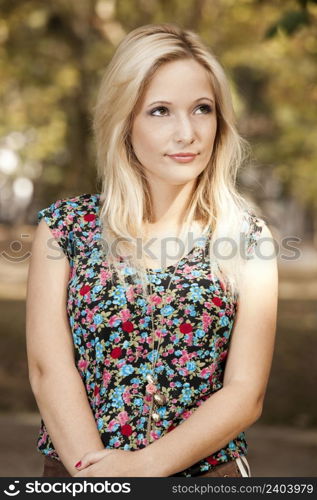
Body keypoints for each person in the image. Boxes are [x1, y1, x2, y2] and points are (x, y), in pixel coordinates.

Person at [26, 23, 278, 478]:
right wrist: (95, 476)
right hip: (80, 470)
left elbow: (245, 393)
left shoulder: (249, 238)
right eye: (160, 111)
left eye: (202, 109)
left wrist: (143, 469)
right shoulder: (64, 228)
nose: (187, 133)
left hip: (210, 478)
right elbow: (49, 370)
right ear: (124, 121)